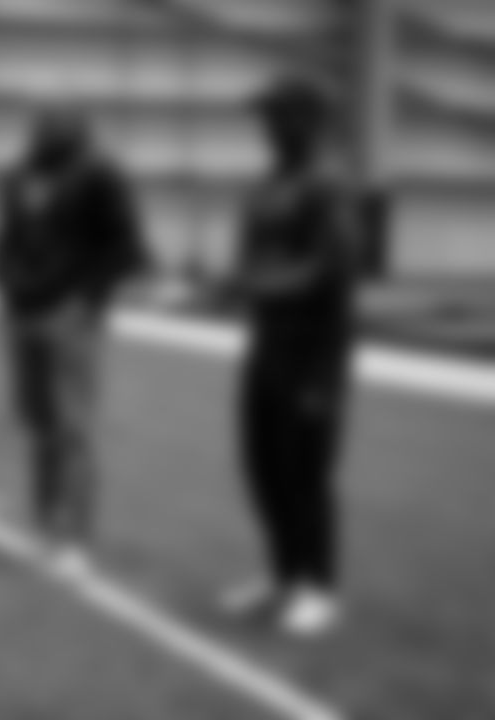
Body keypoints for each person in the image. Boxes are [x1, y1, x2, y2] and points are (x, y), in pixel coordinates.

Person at [224, 75, 361, 638]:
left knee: (307, 473)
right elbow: (251, 257)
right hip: (267, 347)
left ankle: (319, 587)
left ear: (306, 121)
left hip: (314, 353)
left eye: (275, 117)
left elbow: (331, 270)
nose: (266, 128)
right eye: (264, 118)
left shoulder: (327, 185)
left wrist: (255, 285)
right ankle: (282, 576)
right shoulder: (266, 185)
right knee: (262, 467)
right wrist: (232, 282)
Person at [0, 108, 148, 570]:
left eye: (52, 127)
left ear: (76, 132)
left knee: (72, 428)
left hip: (69, 317)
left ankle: (77, 538)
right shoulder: (19, 175)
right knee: (39, 428)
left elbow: (129, 248)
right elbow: (7, 237)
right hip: (24, 314)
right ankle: (46, 525)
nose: (41, 133)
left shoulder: (101, 175)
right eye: (38, 125)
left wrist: (87, 301)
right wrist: (4, 280)